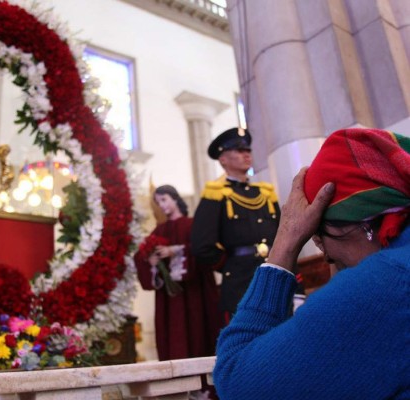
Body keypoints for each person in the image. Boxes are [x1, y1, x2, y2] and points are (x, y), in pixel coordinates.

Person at [213, 128, 410, 399]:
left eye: (321, 235)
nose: (328, 257)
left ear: (363, 224)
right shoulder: (216, 195)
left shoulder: (380, 285)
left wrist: (284, 243)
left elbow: (236, 381)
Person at [191, 127, 280, 322]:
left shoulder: (265, 192)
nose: (246, 155)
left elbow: (282, 234)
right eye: (239, 151)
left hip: (275, 272)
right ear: (223, 159)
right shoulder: (215, 194)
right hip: (240, 281)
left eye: (248, 151)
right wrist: (231, 264)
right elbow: (201, 245)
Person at [134, 185, 221, 361]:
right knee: (174, 334)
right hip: (171, 300)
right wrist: (151, 262)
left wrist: (176, 251)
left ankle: (205, 384)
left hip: (195, 293)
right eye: (158, 202)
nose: (162, 205)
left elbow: (204, 250)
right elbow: (141, 256)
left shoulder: (193, 224)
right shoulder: (160, 230)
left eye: (164, 199)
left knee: (197, 331)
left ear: (175, 198)